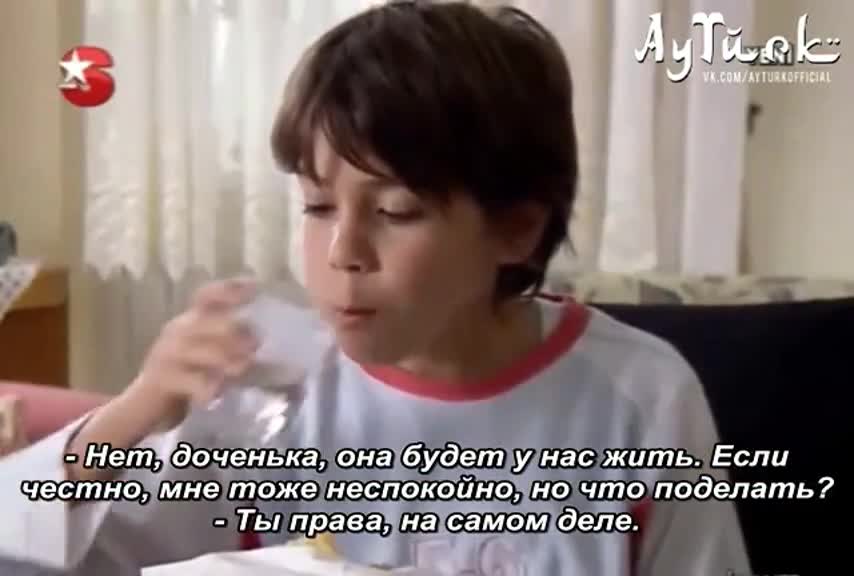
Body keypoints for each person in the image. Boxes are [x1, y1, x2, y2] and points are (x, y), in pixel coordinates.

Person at [1, 2, 751, 574]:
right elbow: (39, 551)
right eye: (317, 206)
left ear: (517, 229)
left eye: (395, 211)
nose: (343, 253)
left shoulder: (643, 399)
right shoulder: (265, 387)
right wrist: (126, 418)